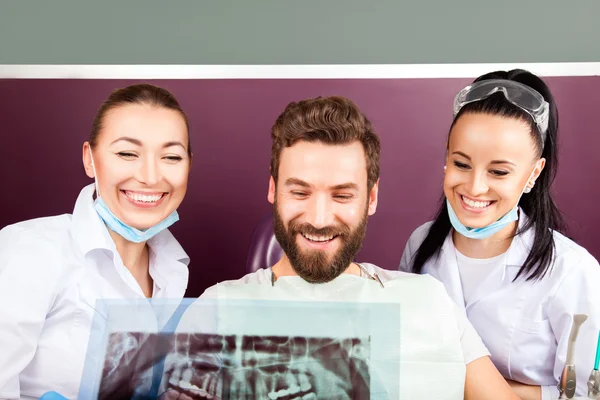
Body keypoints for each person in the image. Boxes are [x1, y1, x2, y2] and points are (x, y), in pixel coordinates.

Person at [165, 96, 520, 399]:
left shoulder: (429, 299)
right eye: (300, 192)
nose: (319, 218)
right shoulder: (216, 311)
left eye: (342, 195)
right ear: (274, 191)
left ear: (372, 198)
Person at [399, 69, 600, 400]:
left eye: (499, 171)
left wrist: (476, 389)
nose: (476, 186)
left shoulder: (573, 271)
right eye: (462, 164)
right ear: (446, 159)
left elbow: (584, 394)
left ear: (534, 173)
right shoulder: (421, 245)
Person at [0, 83, 193, 399]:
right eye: (127, 153)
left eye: (171, 157)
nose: (150, 176)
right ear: (90, 159)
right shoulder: (32, 249)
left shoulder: (172, 270)